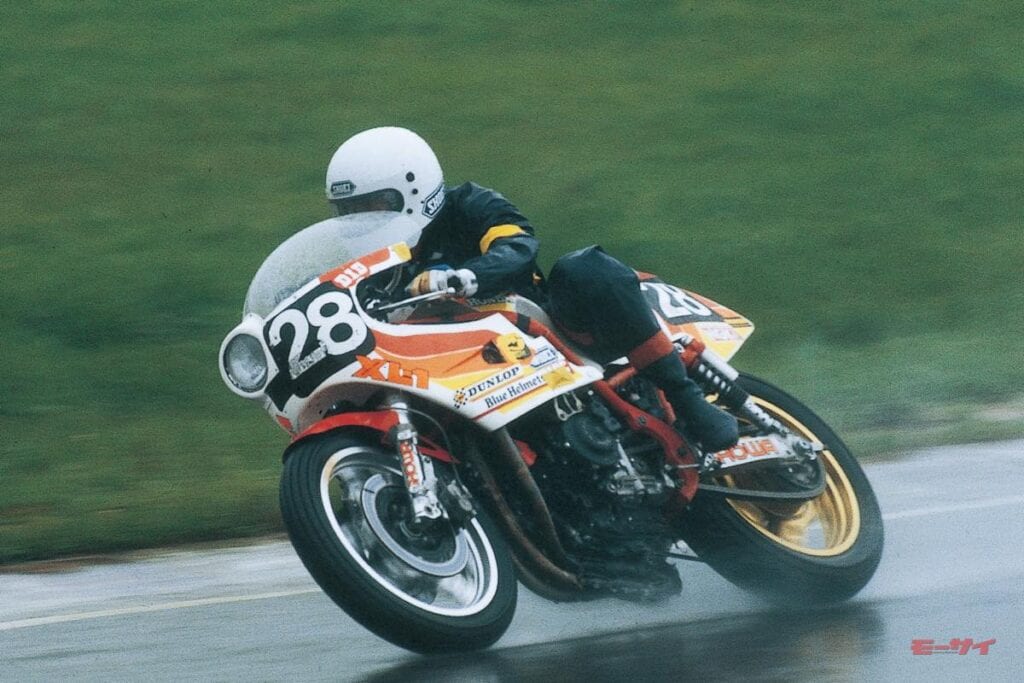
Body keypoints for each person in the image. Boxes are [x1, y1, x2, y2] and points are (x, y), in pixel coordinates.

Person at [324, 127, 738, 452]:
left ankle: (685, 397)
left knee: (584, 268)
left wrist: (466, 275)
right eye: (350, 212)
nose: (364, 221)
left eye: (374, 206)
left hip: (538, 334)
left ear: (414, 189)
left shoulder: (468, 205)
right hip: (452, 369)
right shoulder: (375, 266)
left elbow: (518, 246)